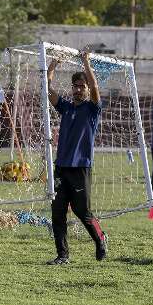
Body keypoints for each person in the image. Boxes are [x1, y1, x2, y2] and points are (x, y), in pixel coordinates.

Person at [46, 52, 107, 265]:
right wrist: (53, 64)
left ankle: (100, 238)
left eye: (82, 86)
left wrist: (86, 61)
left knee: (83, 212)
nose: (79, 89)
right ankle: (63, 256)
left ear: (87, 89)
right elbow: (47, 89)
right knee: (58, 213)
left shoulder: (93, 109)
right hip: (61, 168)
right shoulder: (66, 107)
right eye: (76, 86)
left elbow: (95, 86)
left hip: (81, 168)